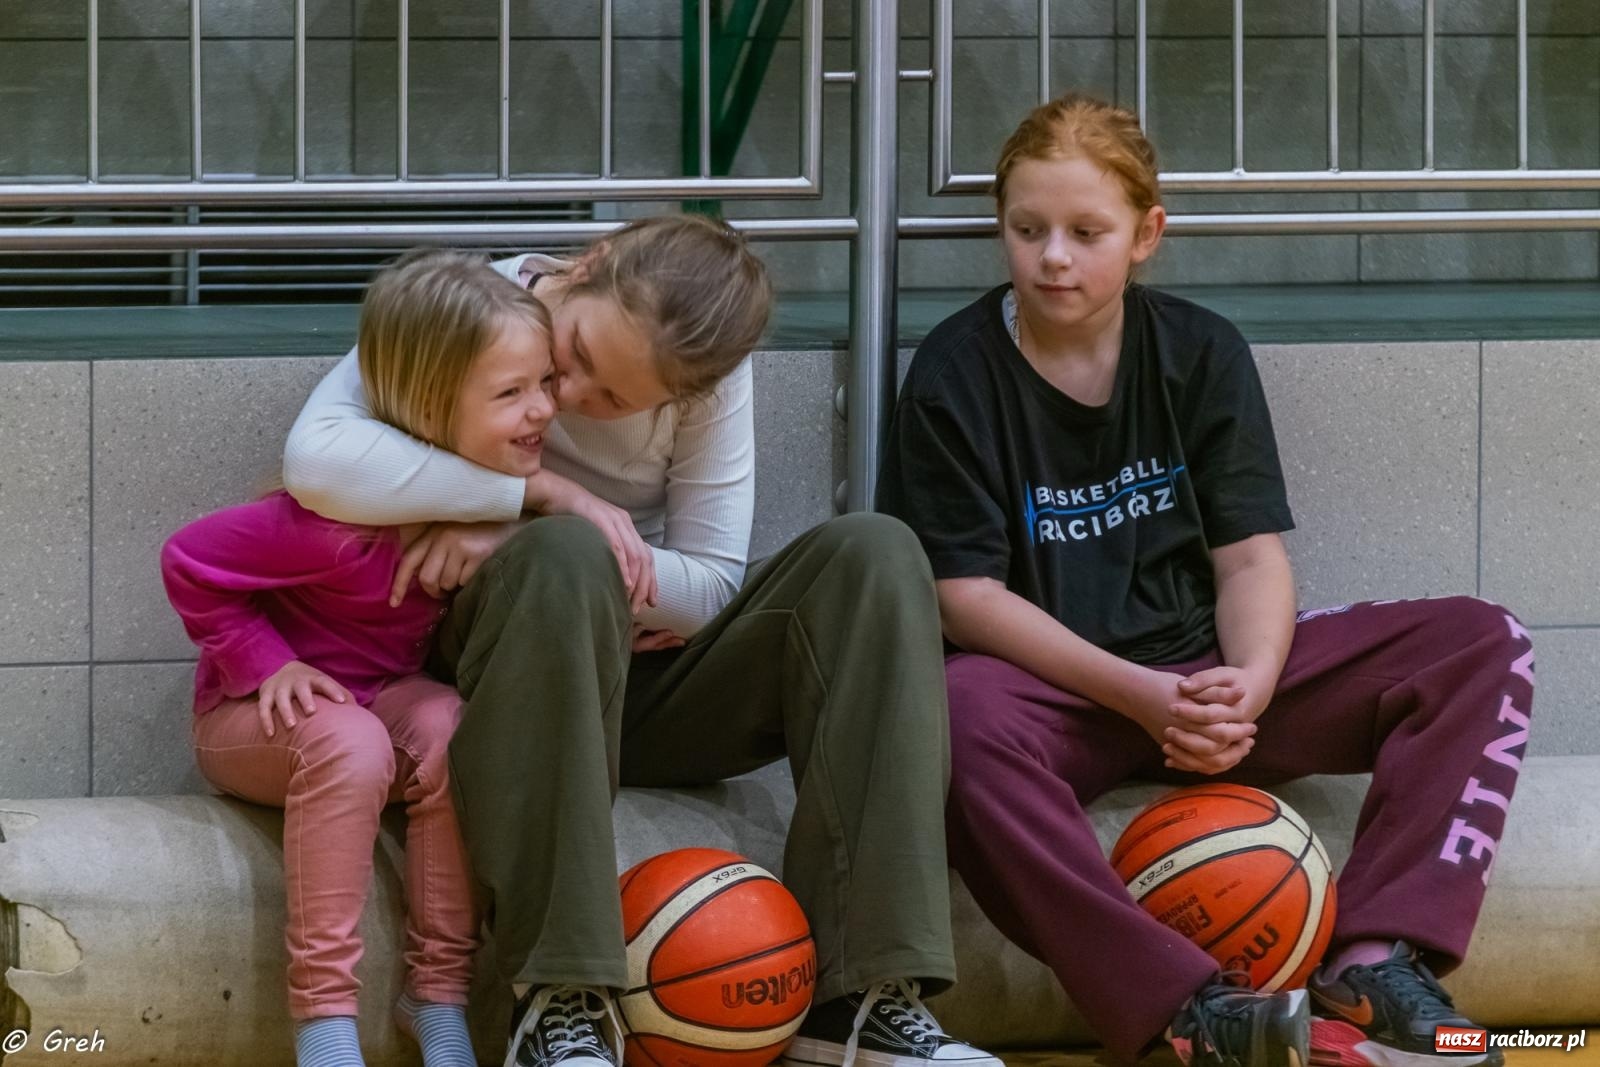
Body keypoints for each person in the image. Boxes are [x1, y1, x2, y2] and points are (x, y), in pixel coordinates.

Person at [877, 94, 1532, 1067]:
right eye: (1026, 230)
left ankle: (1374, 955)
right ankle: (1184, 1007)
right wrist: (1139, 696)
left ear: (1146, 234)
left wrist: (1252, 680)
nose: (1053, 255)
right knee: (952, 715)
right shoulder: (954, 373)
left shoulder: (1199, 349)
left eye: (1084, 232)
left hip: (1211, 674)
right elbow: (962, 597)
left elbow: (1250, 556)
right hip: (1065, 692)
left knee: (1482, 640)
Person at [281, 214, 1001, 1067]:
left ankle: (858, 1002)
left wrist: (525, 537)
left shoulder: (709, 382)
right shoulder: (478, 300)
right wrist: (537, 500)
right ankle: (556, 1002)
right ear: (585, 266)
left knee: (875, 552)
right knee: (566, 552)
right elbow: (315, 459)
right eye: (574, 353)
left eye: (616, 398)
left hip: (645, 680)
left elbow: (709, 587)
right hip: (503, 672)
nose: (573, 397)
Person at [162, 251, 563, 1067]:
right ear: (426, 405)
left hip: (383, 696)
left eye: (548, 382)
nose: (544, 410)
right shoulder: (328, 523)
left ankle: (437, 994)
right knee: (351, 741)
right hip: (252, 719)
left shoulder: (476, 513)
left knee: (451, 726)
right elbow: (187, 560)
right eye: (512, 393)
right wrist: (264, 661)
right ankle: (325, 1020)